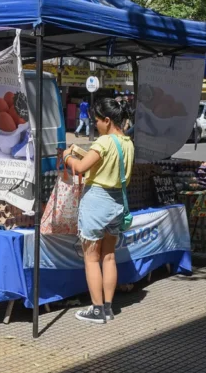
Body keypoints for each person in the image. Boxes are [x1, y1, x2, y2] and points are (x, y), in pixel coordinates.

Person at [60, 98, 134, 324]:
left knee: (92, 260)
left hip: (97, 202)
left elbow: (80, 168)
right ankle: (109, 308)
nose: (95, 125)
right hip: (117, 203)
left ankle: (97, 310)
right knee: (109, 256)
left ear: (108, 120)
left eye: (98, 121)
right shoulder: (128, 143)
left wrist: (67, 156)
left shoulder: (103, 143)